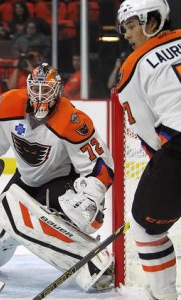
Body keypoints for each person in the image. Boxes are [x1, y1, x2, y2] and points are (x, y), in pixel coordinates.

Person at [0, 63, 115, 292]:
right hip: (25, 180)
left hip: (62, 184)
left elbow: (100, 166)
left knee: (14, 209)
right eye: (36, 88)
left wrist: (89, 197)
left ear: (58, 90)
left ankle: (90, 261)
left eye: (47, 89)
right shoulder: (8, 104)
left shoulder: (72, 120)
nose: (41, 95)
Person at [116, 1, 181, 299]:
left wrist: (163, 172)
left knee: (145, 228)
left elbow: (145, 130)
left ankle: (164, 296)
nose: (127, 35)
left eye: (130, 26)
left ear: (151, 21)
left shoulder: (133, 64)